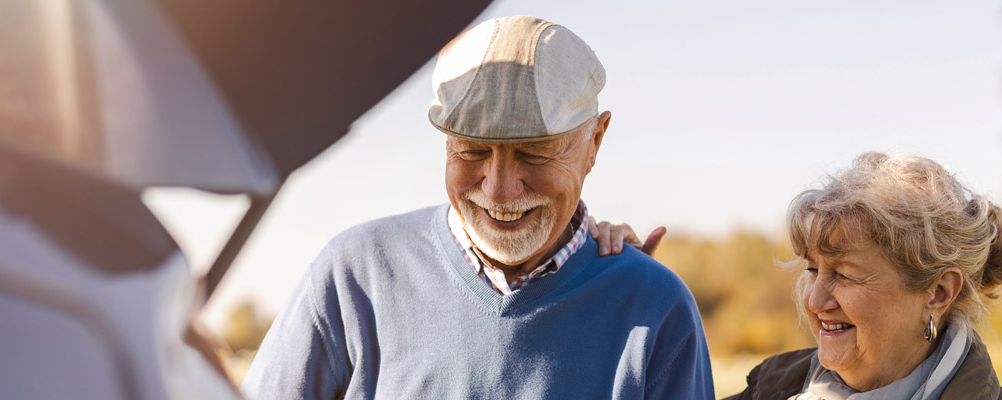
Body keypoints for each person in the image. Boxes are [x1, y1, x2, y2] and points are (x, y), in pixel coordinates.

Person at [243, 15, 715, 399]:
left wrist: (617, 288)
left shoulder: (656, 308)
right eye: (472, 150)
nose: (499, 190)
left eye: (534, 151)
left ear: (594, 141)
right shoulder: (353, 276)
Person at [593, 152, 1002, 399]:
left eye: (844, 274)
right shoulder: (773, 390)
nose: (815, 300)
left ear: (937, 292)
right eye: (812, 269)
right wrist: (619, 296)